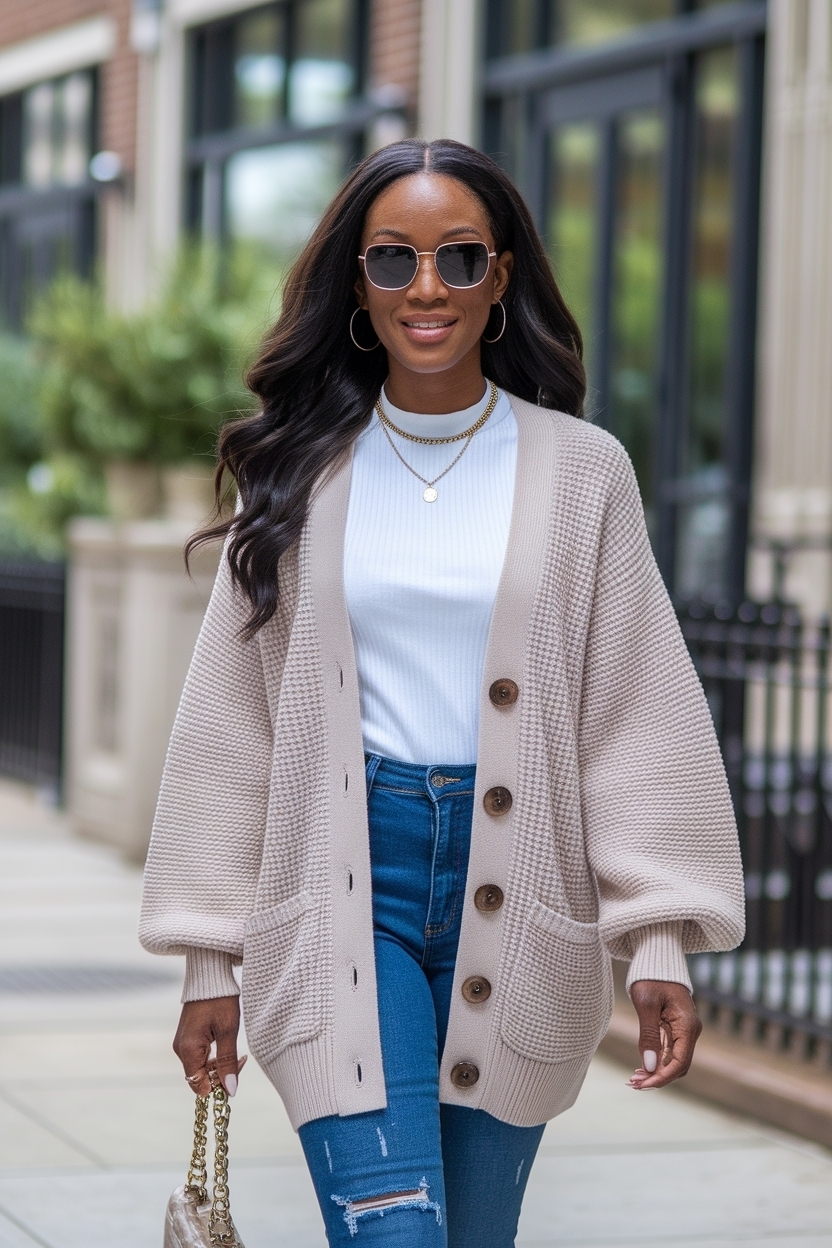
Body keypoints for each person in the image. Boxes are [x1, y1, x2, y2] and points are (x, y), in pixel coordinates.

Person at [140, 138, 744, 1248]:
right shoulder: (297, 470)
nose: (427, 287)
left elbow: (633, 711)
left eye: (460, 258)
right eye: (394, 259)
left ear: (499, 278)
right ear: (357, 285)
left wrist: (657, 938)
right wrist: (207, 960)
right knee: (396, 1233)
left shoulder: (583, 471)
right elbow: (232, 728)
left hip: (520, 890)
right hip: (343, 881)